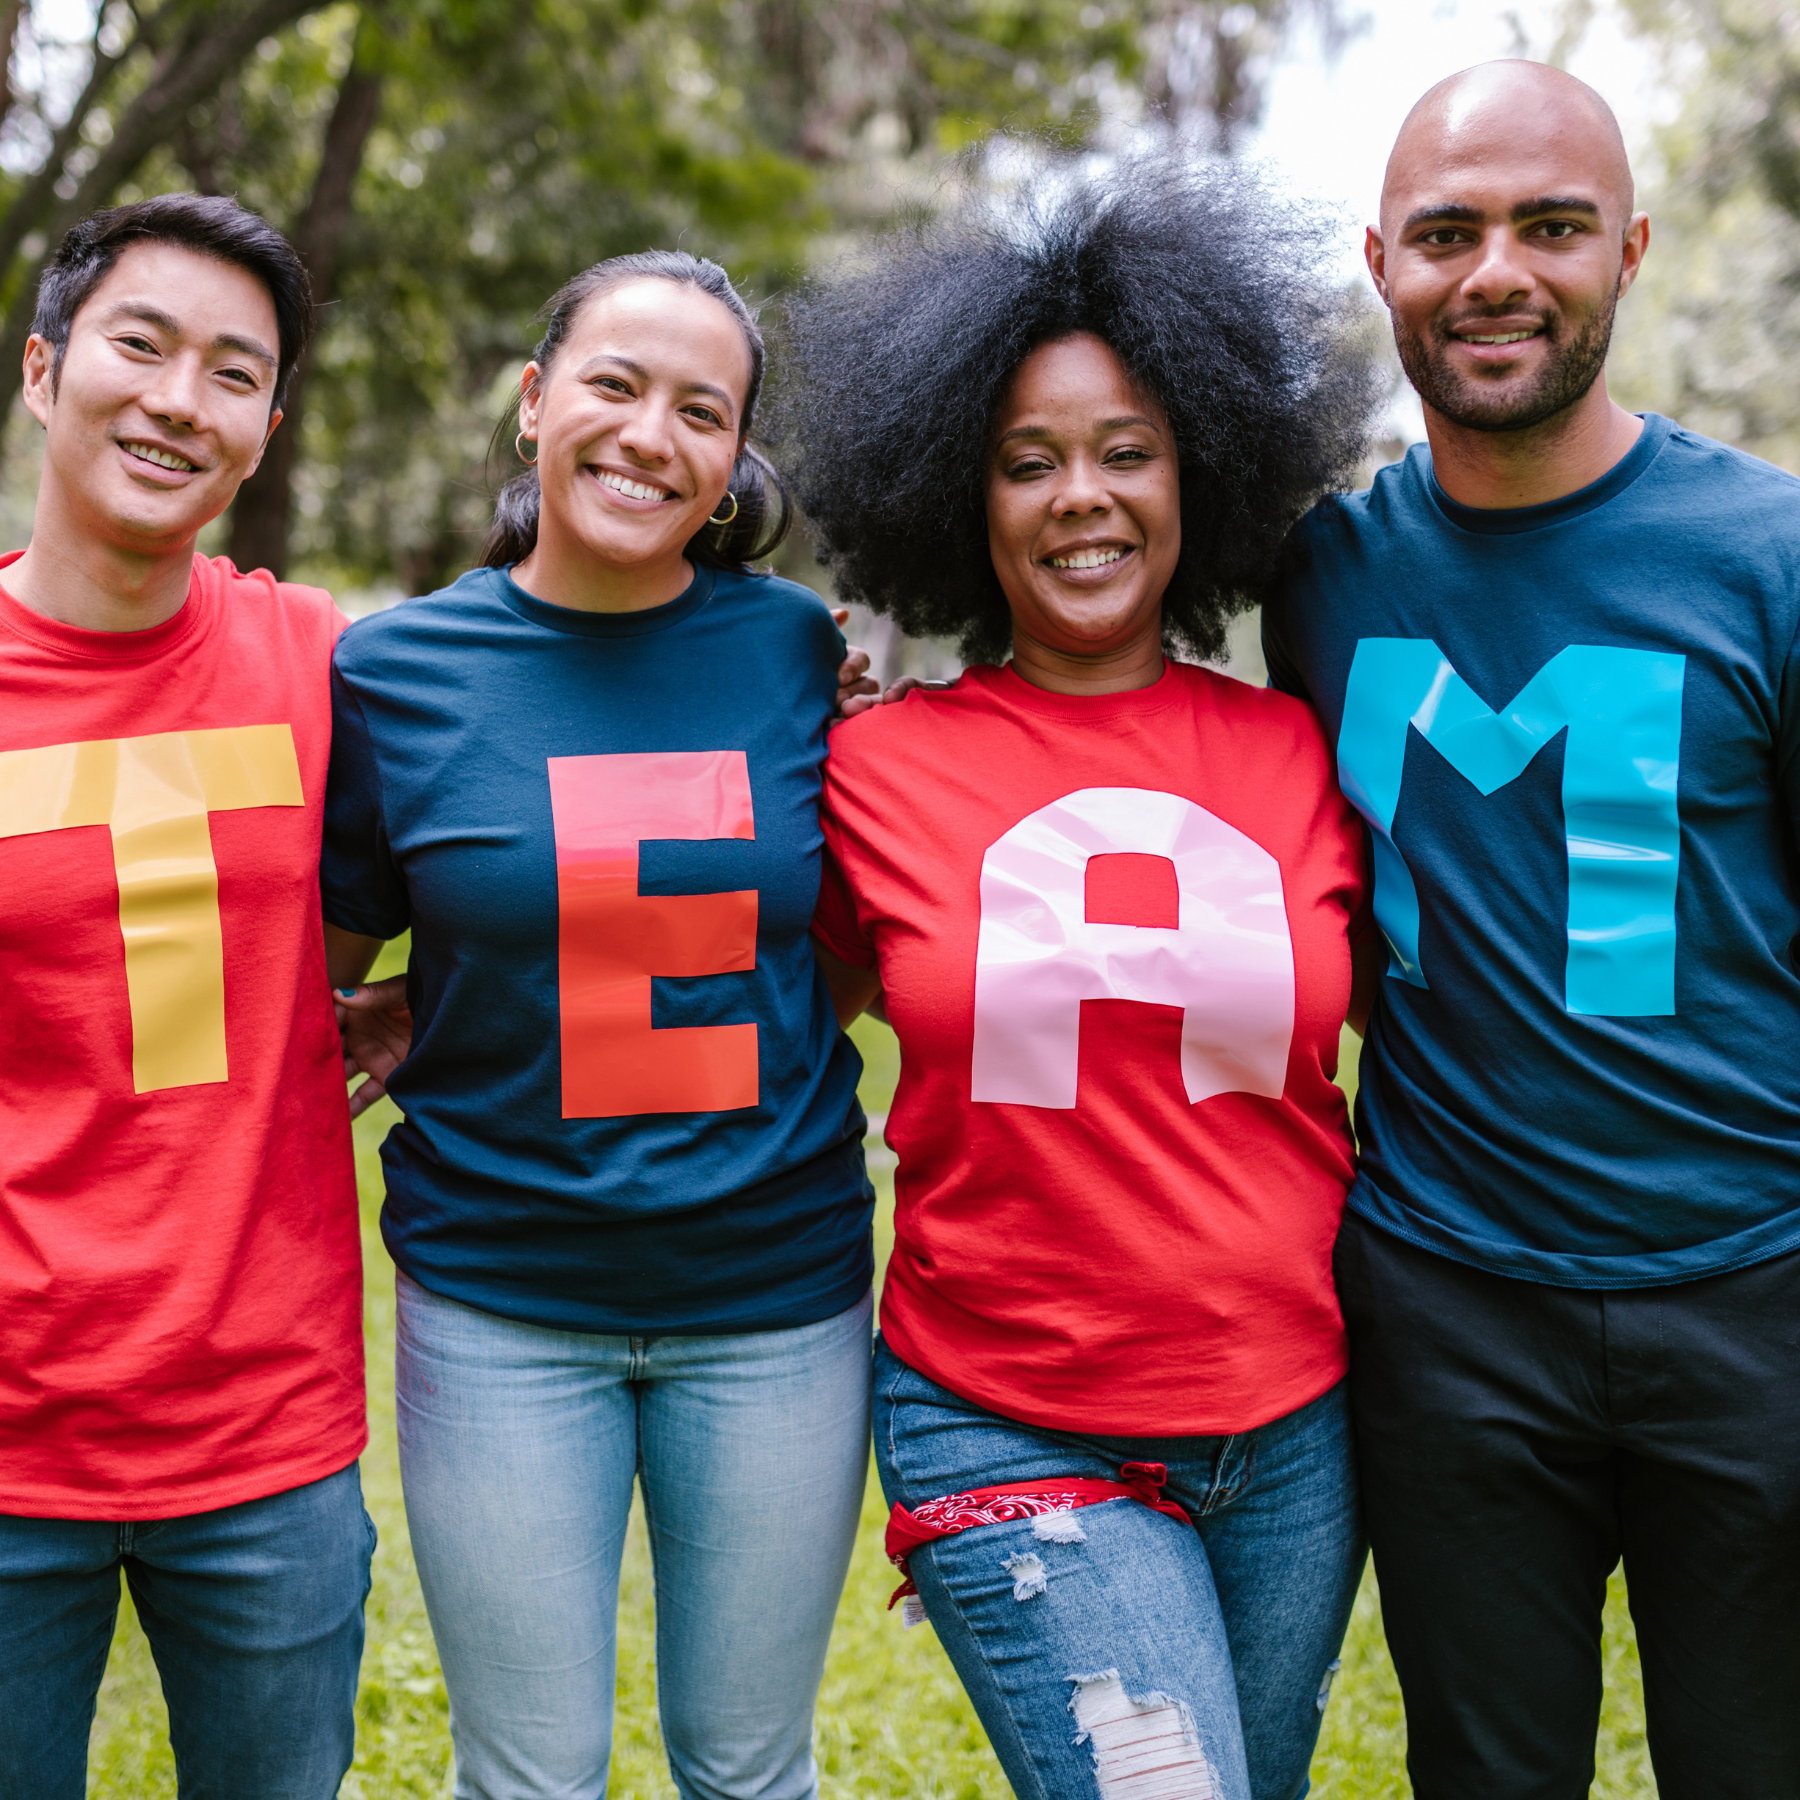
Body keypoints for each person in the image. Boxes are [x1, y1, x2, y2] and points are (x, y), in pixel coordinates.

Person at [776, 158, 1385, 1800]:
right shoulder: (869, 771)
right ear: (958, 498)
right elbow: (739, 975)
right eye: (1026, 463)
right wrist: (441, 991)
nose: (1082, 498)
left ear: (1200, 477)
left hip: (1299, 1421)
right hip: (1008, 1410)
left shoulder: (1306, 756)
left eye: (1130, 452)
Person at [1260, 60, 1800, 1797]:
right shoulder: (1320, 573)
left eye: (1551, 226)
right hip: (1447, 1301)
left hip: (1757, 1290)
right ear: (1380, 264)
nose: (1499, 270)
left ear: (1630, 247)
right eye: (1449, 232)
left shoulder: (1766, 555)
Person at [321, 250, 875, 1800]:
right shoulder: (396, 674)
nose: (650, 433)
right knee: (528, 1774)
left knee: (750, 1767)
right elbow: (305, 969)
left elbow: (844, 940)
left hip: (775, 1301)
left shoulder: (792, 653)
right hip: (502, 1304)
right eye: (616, 385)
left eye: (702, 410)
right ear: (535, 402)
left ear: (732, 466)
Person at [0, 195, 376, 1798]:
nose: (177, 399)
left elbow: (537, 818)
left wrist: (436, 1004)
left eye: (232, 372)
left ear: (264, 429)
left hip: (267, 1436)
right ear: (43, 369)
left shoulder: (323, 662)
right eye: (139, 346)